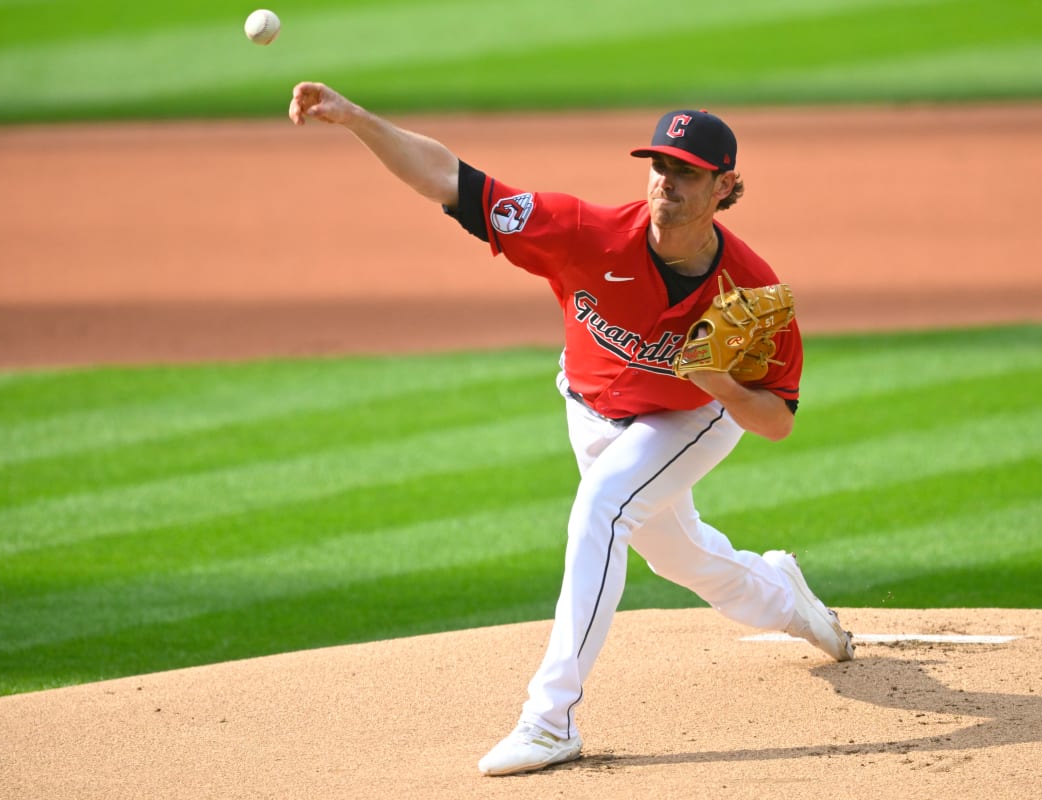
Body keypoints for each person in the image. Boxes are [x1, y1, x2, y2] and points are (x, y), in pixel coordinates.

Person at [288, 82, 855, 777]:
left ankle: (549, 720)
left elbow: (776, 421)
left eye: (686, 171)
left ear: (724, 186)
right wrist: (352, 118)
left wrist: (720, 384)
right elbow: (449, 180)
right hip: (589, 410)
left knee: (603, 508)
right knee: (681, 557)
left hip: (692, 418)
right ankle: (787, 598)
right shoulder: (586, 234)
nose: (666, 182)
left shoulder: (750, 293)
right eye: (660, 166)